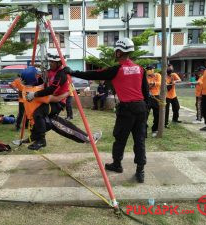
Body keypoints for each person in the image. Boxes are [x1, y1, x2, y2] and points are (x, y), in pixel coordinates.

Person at [64, 38, 149, 183]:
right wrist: (145, 112)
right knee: (139, 140)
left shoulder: (116, 70)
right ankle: (140, 171)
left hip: (127, 109)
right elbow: (146, 93)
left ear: (119, 52)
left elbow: (94, 74)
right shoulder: (140, 69)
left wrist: (72, 72)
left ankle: (117, 164)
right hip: (141, 108)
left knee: (120, 139)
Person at [24, 54, 102, 150]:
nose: (50, 64)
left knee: (38, 113)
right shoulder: (49, 71)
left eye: (52, 62)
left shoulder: (61, 74)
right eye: (50, 62)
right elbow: (42, 80)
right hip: (51, 101)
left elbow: (52, 89)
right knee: (53, 122)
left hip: (58, 103)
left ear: (58, 63)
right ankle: (87, 138)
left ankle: (41, 140)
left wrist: (34, 94)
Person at [146, 66, 161, 137]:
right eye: (148, 70)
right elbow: (146, 86)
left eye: (150, 70)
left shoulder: (158, 75)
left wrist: (153, 83)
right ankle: (144, 130)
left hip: (156, 97)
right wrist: (151, 84)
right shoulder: (146, 77)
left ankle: (155, 129)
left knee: (157, 114)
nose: (149, 71)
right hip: (148, 97)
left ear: (153, 70)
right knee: (145, 114)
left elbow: (160, 83)